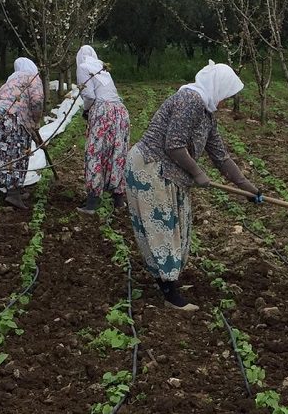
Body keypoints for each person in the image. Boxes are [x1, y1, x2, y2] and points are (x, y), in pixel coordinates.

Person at [125, 60, 263, 310]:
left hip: (170, 172)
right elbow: (173, 144)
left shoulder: (207, 114)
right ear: (217, 87)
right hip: (150, 167)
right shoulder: (191, 100)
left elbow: (220, 156)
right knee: (162, 227)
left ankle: (169, 279)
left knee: (178, 227)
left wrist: (248, 188)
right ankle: (169, 293)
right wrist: (198, 173)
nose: (226, 101)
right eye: (226, 94)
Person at [0, 57, 44, 209]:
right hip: (9, 116)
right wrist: (36, 121)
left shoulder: (12, 79)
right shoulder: (33, 78)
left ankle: (11, 189)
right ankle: (13, 193)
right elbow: (37, 101)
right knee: (16, 151)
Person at [75, 45, 131, 214]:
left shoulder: (83, 68)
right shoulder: (102, 69)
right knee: (117, 152)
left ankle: (93, 202)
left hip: (102, 111)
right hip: (120, 111)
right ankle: (118, 200)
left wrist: (87, 110)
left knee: (95, 152)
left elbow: (90, 95)